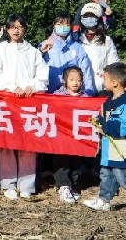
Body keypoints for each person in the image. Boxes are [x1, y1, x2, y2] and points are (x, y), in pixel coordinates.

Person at [0, 13, 47, 200]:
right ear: (6, 29)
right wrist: (12, 87)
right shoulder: (1, 50)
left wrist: (33, 86)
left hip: (28, 102)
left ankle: (27, 184)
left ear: (25, 29)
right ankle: (8, 184)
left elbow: (42, 73)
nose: (16, 30)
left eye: (20, 27)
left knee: (27, 143)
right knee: (6, 143)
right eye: (12, 27)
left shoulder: (33, 51)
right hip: (7, 100)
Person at [82, 63, 126, 213]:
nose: (103, 82)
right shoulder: (110, 100)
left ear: (114, 82)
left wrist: (105, 127)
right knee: (107, 174)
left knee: (125, 175)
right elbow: (108, 119)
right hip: (111, 147)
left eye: (105, 79)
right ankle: (104, 200)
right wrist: (99, 121)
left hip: (124, 149)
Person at [52, 66, 89, 203]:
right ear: (64, 80)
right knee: (62, 160)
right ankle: (63, 186)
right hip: (62, 135)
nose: (75, 83)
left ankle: (73, 184)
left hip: (77, 136)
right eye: (72, 80)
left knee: (75, 160)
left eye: (78, 80)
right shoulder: (57, 95)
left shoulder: (86, 97)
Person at [43, 12, 97, 95]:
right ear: (54, 25)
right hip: (49, 93)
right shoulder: (44, 45)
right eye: (59, 24)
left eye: (67, 25)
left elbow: (86, 71)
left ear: (71, 26)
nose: (63, 27)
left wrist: (89, 92)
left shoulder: (77, 48)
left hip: (73, 94)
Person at [78, 3, 119, 86]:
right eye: (86, 16)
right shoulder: (76, 40)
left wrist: (105, 77)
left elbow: (114, 63)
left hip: (100, 86)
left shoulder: (107, 41)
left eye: (92, 16)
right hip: (79, 87)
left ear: (99, 18)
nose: (89, 18)